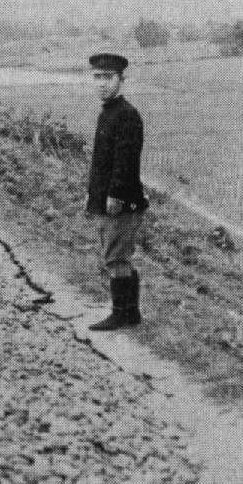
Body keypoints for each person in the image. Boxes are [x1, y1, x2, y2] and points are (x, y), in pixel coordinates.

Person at [85, 52, 148, 330]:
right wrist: (92, 193)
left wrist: (115, 196)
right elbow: (101, 161)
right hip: (110, 198)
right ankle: (130, 313)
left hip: (122, 201)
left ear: (122, 80)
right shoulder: (108, 113)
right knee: (117, 254)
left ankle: (121, 313)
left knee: (116, 256)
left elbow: (126, 161)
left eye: (108, 78)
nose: (101, 84)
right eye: (97, 77)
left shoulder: (127, 115)